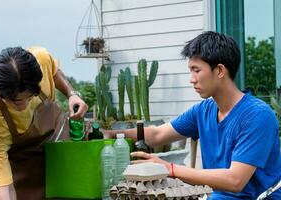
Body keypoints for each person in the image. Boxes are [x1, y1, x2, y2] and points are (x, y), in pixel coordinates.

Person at [104, 31, 281, 199]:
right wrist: (111, 134)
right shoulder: (203, 111)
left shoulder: (257, 116)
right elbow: (156, 135)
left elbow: (235, 180)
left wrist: (169, 169)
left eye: (197, 70)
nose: (192, 78)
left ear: (219, 71)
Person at [0, 46, 88, 200]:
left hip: (61, 145)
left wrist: (71, 94)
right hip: (26, 171)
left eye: (31, 96)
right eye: (17, 101)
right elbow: (5, 189)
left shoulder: (40, 59)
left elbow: (54, 71)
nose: (26, 103)